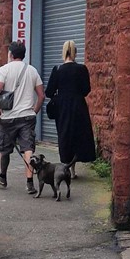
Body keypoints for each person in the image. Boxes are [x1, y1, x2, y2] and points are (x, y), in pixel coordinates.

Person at [0, 41, 45, 193]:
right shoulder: (32, 71)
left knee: (5, 149)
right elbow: (41, 95)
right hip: (27, 117)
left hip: (8, 117)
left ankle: (2, 177)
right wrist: (34, 111)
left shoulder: (4, 70)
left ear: (11, 54)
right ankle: (29, 182)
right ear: (23, 55)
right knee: (28, 148)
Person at [45, 41, 96, 177]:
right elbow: (86, 90)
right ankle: (73, 169)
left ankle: (66, 166)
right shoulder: (81, 69)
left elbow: (49, 92)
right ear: (75, 52)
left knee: (65, 135)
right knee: (78, 135)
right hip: (78, 105)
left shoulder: (58, 69)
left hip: (62, 107)